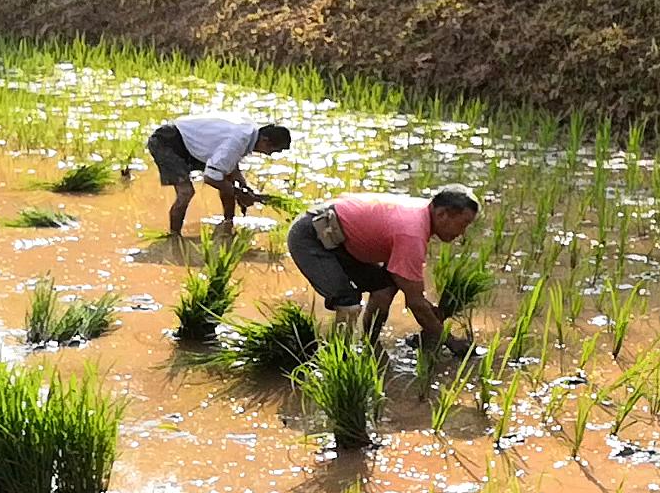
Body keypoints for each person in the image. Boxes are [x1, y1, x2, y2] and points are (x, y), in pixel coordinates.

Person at [286, 185, 480, 351]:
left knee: (385, 286)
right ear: (442, 214)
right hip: (311, 236)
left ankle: (369, 344)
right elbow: (415, 303)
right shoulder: (412, 233)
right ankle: (339, 356)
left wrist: (428, 313)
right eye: (463, 224)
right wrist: (450, 342)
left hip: (337, 236)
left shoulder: (422, 212)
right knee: (349, 303)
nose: (462, 233)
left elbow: (406, 287)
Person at [146, 115, 292, 237]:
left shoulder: (249, 132)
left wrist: (244, 188)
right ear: (265, 141)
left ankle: (228, 223)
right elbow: (211, 177)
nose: (270, 155)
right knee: (186, 193)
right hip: (167, 141)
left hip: (191, 143)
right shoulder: (239, 140)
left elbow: (230, 167)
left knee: (227, 178)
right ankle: (174, 237)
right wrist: (238, 194)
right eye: (272, 150)